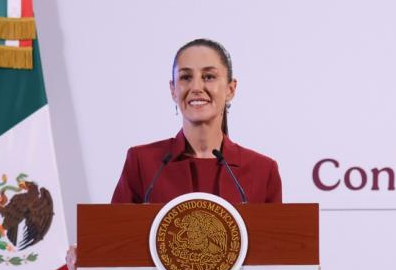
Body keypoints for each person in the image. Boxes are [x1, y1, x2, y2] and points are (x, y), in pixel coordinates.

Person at [111, 38, 282, 204]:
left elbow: (276, 233)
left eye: (208, 76)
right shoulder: (143, 163)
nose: (196, 88)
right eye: (185, 77)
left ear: (230, 89)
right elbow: (113, 230)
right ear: (173, 90)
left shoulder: (263, 170)